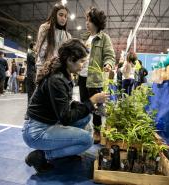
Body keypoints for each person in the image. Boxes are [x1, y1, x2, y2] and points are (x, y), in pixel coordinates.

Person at [22, 39, 109, 173]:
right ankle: (42, 156)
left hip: (48, 123)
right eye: (81, 61)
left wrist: (89, 106)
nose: (82, 65)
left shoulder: (65, 74)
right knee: (87, 140)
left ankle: (61, 149)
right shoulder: (56, 79)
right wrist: (91, 101)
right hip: (36, 132)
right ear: (69, 60)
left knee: (85, 118)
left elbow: (65, 104)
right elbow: (66, 118)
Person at [78, 7, 115, 143]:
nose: (86, 23)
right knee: (84, 104)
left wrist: (108, 64)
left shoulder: (104, 38)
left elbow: (110, 55)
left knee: (97, 107)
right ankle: (84, 128)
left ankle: (97, 131)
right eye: (86, 20)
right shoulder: (84, 38)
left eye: (89, 20)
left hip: (95, 78)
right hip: (82, 76)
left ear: (96, 22)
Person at [35, 3, 71, 80]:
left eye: (65, 16)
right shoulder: (45, 28)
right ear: (54, 15)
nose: (63, 18)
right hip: (43, 68)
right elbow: (41, 50)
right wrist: (48, 65)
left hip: (58, 70)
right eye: (61, 15)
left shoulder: (67, 35)